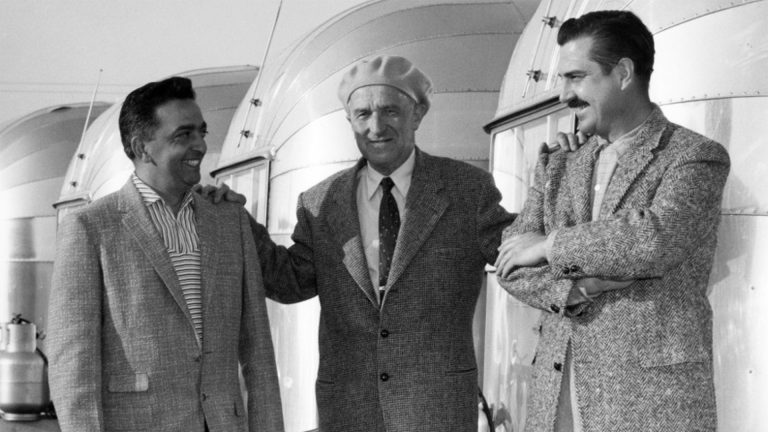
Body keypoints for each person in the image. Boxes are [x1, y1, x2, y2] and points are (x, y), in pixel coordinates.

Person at [247, 55, 520, 432]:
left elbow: (517, 254)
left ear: (418, 113)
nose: (376, 127)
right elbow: (290, 281)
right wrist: (236, 221)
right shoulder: (320, 203)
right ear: (349, 120)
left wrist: (558, 177)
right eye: (363, 114)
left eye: (390, 111)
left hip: (436, 414)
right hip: (349, 414)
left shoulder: (466, 190)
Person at [494, 10, 730, 432]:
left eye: (576, 77)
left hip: (650, 406)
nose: (564, 95)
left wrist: (549, 246)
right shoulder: (559, 162)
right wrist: (580, 288)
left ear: (623, 73)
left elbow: (654, 239)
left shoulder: (694, 156)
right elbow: (511, 265)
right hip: (556, 400)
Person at [47, 77, 284, 432]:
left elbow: (258, 352)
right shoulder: (91, 228)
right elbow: (73, 366)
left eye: (201, 132)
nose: (200, 145)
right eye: (183, 135)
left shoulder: (229, 221)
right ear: (142, 148)